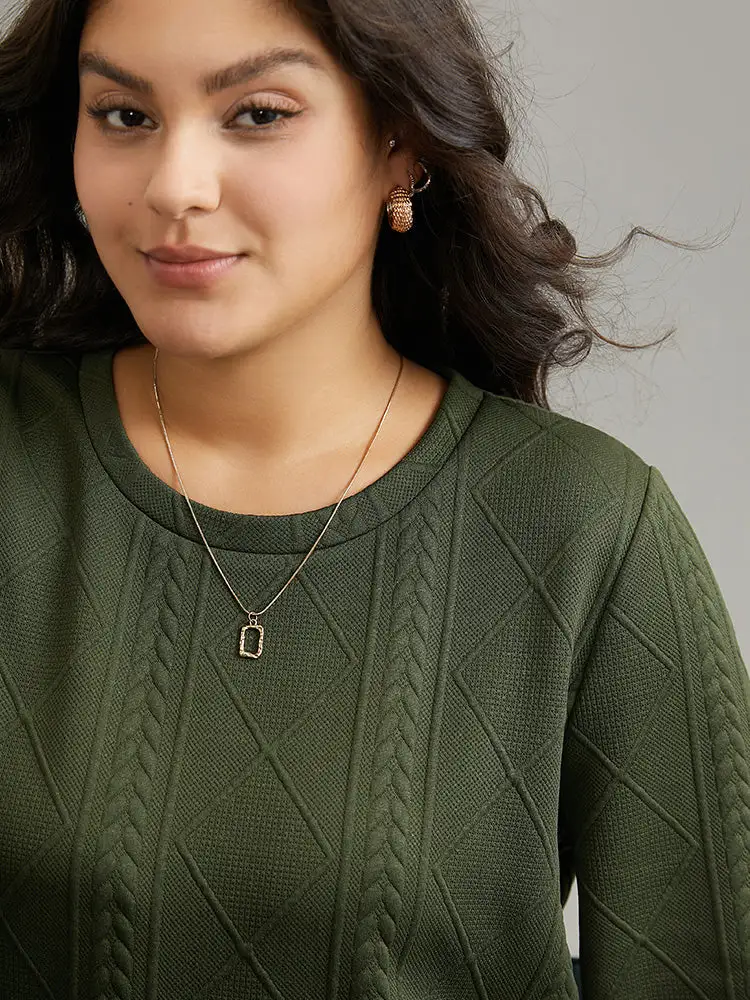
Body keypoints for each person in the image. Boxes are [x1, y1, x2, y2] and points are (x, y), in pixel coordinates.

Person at [0, 0, 747, 997]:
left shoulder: (586, 526)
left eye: (258, 114)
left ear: (400, 147)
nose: (174, 186)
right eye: (124, 116)